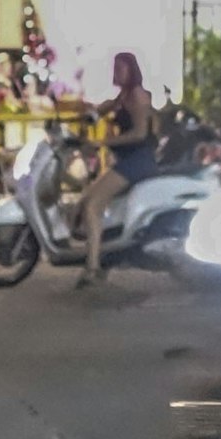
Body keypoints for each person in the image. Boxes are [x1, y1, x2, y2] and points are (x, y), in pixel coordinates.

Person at [73, 51, 156, 285]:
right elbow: (102, 109)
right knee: (86, 198)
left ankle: (92, 267)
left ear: (132, 70)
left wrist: (102, 143)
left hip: (138, 161)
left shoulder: (138, 96)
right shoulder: (123, 96)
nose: (116, 72)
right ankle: (100, 253)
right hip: (127, 161)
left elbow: (139, 133)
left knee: (92, 205)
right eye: (115, 68)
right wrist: (85, 115)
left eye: (121, 68)